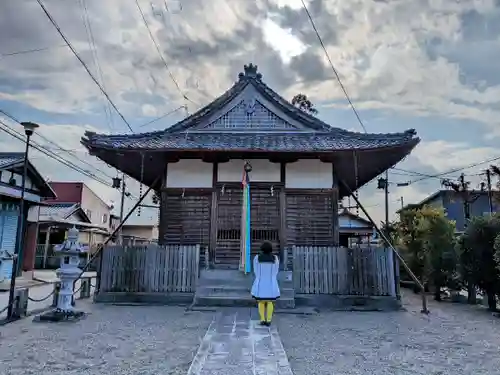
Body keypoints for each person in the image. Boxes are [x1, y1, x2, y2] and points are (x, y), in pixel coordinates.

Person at [251, 241, 280, 326]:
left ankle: (262, 319)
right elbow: (276, 271)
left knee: (261, 301)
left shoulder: (257, 258)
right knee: (270, 301)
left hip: (261, 282)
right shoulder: (275, 258)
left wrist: (259, 277)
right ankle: (269, 320)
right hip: (271, 282)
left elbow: (255, 270)